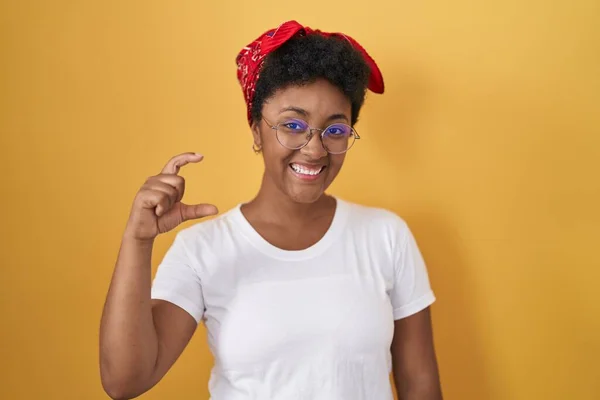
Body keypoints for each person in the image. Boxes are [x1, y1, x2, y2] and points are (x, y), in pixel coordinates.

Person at [99, 20, 443, 400]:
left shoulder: (385, 236)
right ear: (255, 130)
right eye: (292, 125)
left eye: (335, 129)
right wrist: (138, 240)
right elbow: (124, 381)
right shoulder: (203, 249)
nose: (314, 149)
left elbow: (420, 385)